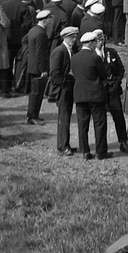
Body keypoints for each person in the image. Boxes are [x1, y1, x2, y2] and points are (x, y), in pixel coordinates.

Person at [71, 30, 110, 160]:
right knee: (99, 123)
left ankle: (85, 150)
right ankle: (101, 151)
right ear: (91, 43)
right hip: (95, 94)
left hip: (80, 94)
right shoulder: (95, 58)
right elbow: (103, 75)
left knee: (83, 124)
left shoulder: (74, 57)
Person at [49, 27, 80, 156]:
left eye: (75, 37)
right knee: (63, 118)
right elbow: (55, 73)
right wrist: (65, 84)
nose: (74, 39)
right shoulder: (59, 51)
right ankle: (62, 145)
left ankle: (65, 143)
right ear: (65, 37)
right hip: (63, 90)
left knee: (66, 116)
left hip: (68, 88)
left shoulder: (70, 50)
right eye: (72, 37)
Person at [24, 9, 51, 125]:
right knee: (37, 93)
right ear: (45, 20)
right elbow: (40, 54)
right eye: (50, 19)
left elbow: (24, 40)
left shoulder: (33, 30)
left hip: (32, 66)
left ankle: (33, 115)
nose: (51, 21)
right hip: (38, 68)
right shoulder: (41, 34)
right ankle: (32, 116)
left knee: (35, 92)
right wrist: (43, 70)